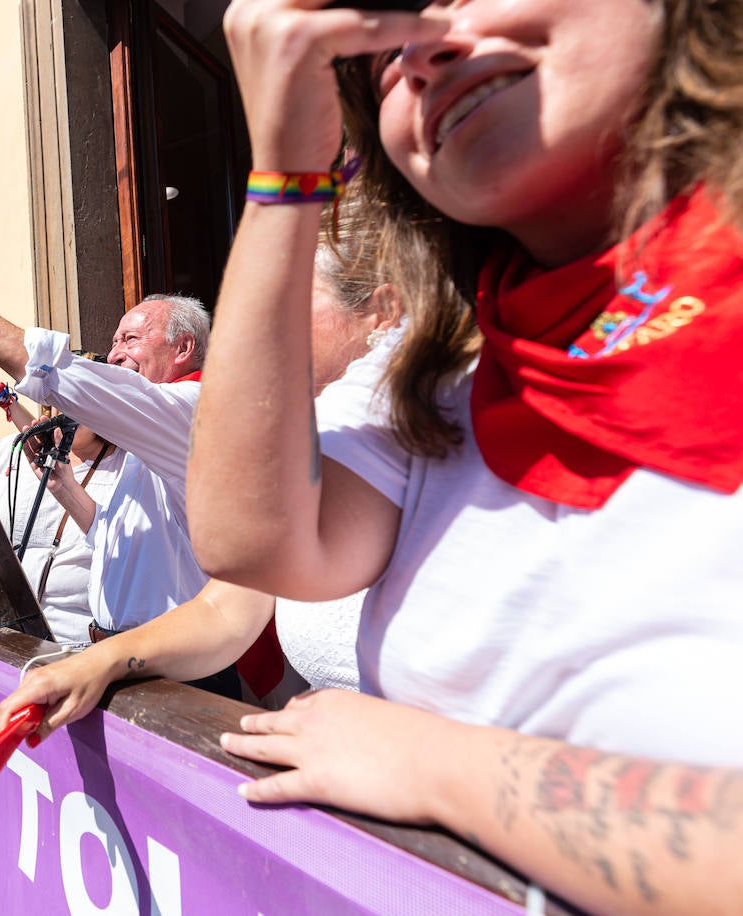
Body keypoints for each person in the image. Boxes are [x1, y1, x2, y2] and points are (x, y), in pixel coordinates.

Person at [126, 2, 741, 913]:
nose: (424, 51)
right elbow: (255, 541)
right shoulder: (438, 375)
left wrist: (436, 766)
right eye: (380, 59)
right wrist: (282, 178)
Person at [0, 254, 250, 697]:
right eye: (114, 340)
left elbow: (61, 373)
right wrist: (65, 488)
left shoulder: (194, 408)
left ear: (183, 348)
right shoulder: (149, 439)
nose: (114, 353)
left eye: (130, 338)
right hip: (120, 664)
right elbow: (121, 536)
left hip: (178, 680)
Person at [0, 360, 118, 644]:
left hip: (76, 652)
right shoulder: (10, 452)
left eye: (83, 397)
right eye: (61, 396)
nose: (69, 407)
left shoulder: (129, 469)